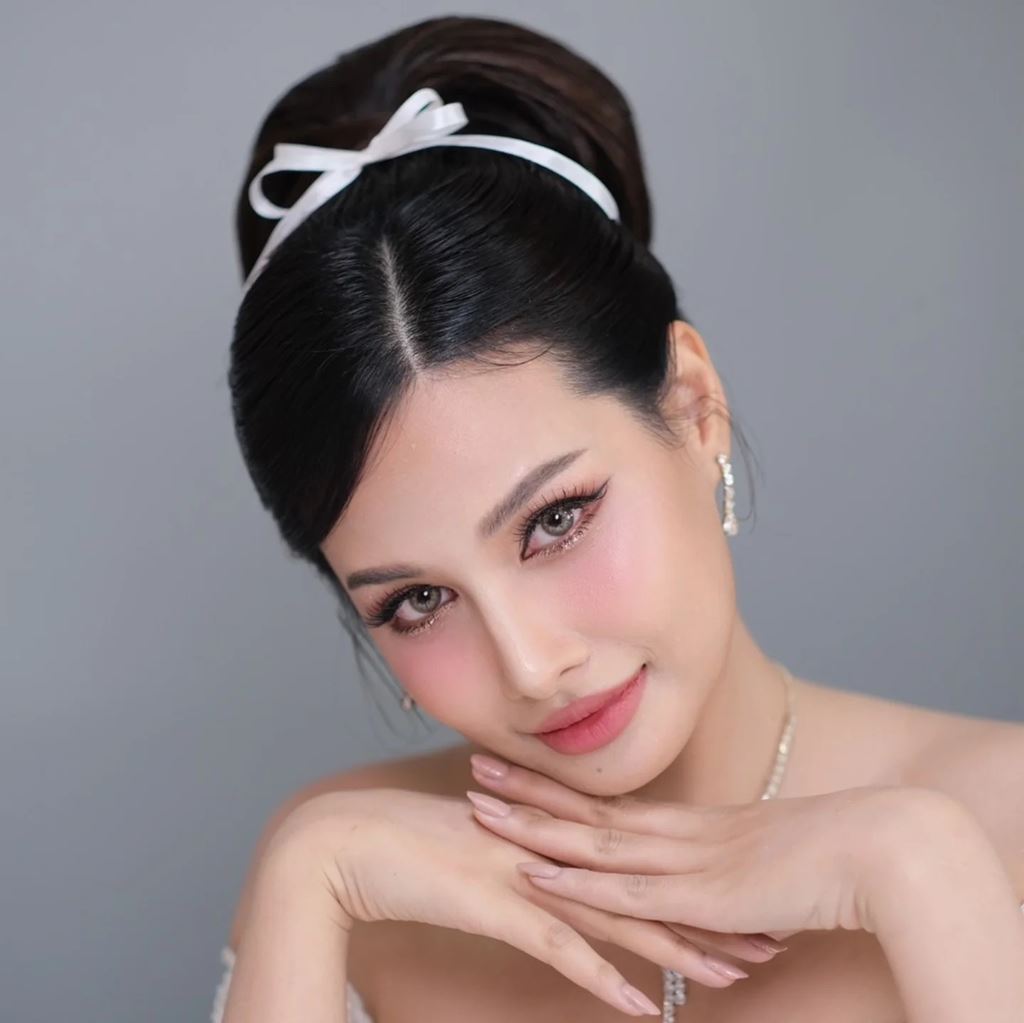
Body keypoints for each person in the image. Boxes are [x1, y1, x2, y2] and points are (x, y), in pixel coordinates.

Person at [213, 14, 1024, 1023]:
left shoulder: (999, 820)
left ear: (693, 407)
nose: (530, 664)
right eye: (417, 600)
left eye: (554, 521)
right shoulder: (344, 884)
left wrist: (919, 873)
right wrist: (306, 870)